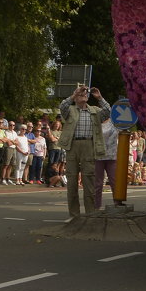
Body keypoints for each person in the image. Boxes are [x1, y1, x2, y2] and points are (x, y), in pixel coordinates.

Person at [58, 85, 110, 217]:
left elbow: (108, 111)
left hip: (89, 145)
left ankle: (90, 214)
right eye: (81, 94)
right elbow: (62, 106)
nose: (84, 95)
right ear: (75, 98)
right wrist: (74, 94)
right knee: (72, 181)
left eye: (85, 94)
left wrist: (99, 97)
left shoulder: (95, 111)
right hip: (72, 145)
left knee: (89, 181)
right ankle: (74, 215)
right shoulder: (70, 109)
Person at [94, 117, 119, 209]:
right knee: (98, 183)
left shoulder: (114, 122)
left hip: (112, 156)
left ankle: (117, 203)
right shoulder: (95, 122)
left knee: (114, 181)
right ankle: (96, 206)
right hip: (98, 155)